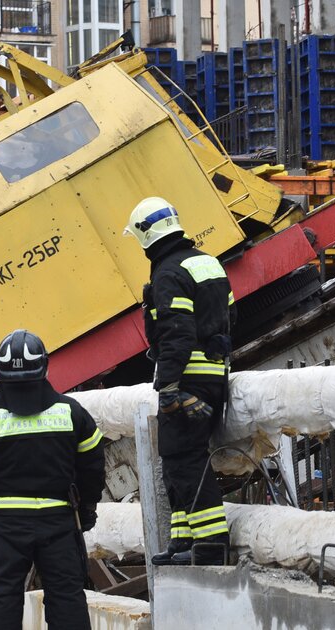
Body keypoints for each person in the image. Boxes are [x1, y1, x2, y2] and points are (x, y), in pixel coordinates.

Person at [0, 329, 105, 630]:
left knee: (2, 603)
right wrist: (88, 507)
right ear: (45, 367)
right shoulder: (72, 414)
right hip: (59, 524)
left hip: (6, 529)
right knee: (67, 601)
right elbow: (93, 466)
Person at [123, 197, 232, 566]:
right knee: (176, 459)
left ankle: (211, 545)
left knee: (184, 460)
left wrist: (169, 386)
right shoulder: (207, 262)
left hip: (187, 379)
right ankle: (183, 542)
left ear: (145, 236)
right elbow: (231, 315)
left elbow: (177, 334)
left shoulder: (168, 272)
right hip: (214, 374)